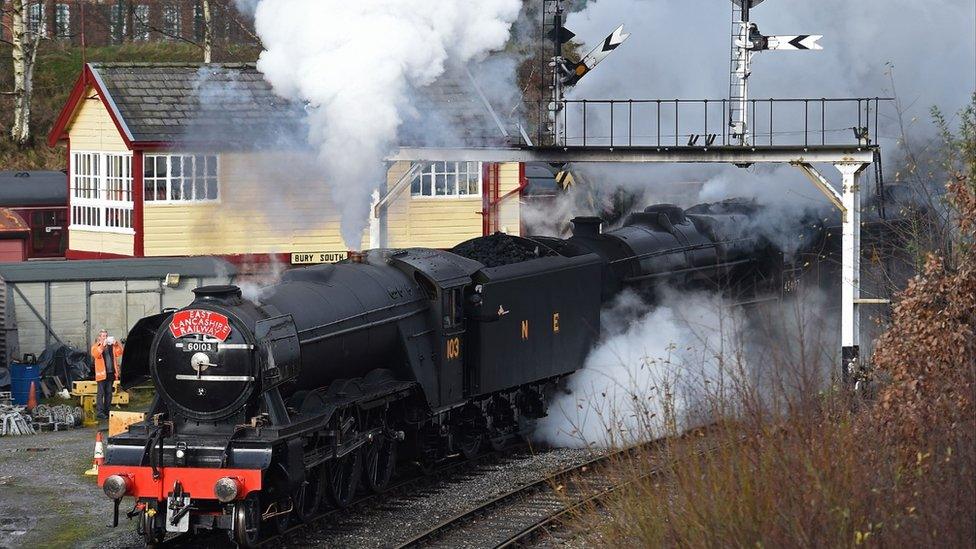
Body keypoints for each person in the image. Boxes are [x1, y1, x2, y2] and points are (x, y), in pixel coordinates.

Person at [91, 329, 124, 420]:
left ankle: (107, 411)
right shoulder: (95, 346)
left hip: (110, 373)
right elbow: (96, 354)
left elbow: (119, 352)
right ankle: (100, 412)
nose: (105, 337)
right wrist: (103, 345)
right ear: (99, 337)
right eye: (103, 336)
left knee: (109, 393)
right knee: (101, 393)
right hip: (101, 375)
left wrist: (116, 344)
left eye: (106, 335)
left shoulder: (111, 347)